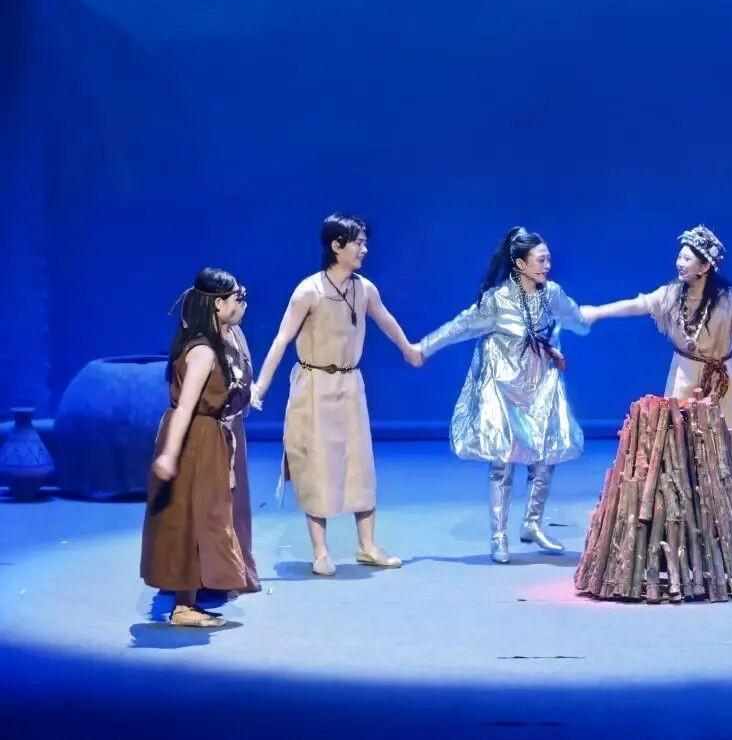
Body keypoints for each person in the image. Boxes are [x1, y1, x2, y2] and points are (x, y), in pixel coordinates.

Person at [252, 213, 421, 576]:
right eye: (357, 242)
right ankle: (320, 552)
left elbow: (386, 320)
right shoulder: (309, 291)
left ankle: (367, 546)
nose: (364, 249)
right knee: (317, 466)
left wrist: (408, 349)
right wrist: (260, 387)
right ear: (336, 246)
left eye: (364, 242)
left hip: (349, 385)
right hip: (314, 384)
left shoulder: (365, 289)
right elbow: (282, 339)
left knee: (360, 464)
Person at [581, 224, 732, 517]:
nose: (679, 262)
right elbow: (638, 304)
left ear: (705, 266)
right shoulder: (671, 295)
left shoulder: (730, 298)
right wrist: (599, 312)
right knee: (682, 441)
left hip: (725, 378)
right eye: (679, 257)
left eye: (687, 258)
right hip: (685, 374)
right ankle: (689, 516)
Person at [417, 227, 589, 564]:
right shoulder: (497, 300)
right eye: (541, 260)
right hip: (504, 387)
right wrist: (424, 348)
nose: (547, 265)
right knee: (502, 462)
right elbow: (460, 326)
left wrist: (576, 327)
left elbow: (574, 318)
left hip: (540, 387)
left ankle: (532, 524)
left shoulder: (551, 293)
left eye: (548, 259)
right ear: (520, 264)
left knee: (545, 456)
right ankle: (498, 536)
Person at [141, 268, 252, 627]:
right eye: (236, 298)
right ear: (218, 304)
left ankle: (191, 598)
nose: (241, 304)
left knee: (201, 515)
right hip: (196, 437)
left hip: (207, 436)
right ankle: (184, 607)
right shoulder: (203, 351)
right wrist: (170, 454)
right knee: (189, 516)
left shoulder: (213, 342)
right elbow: (185, 407)